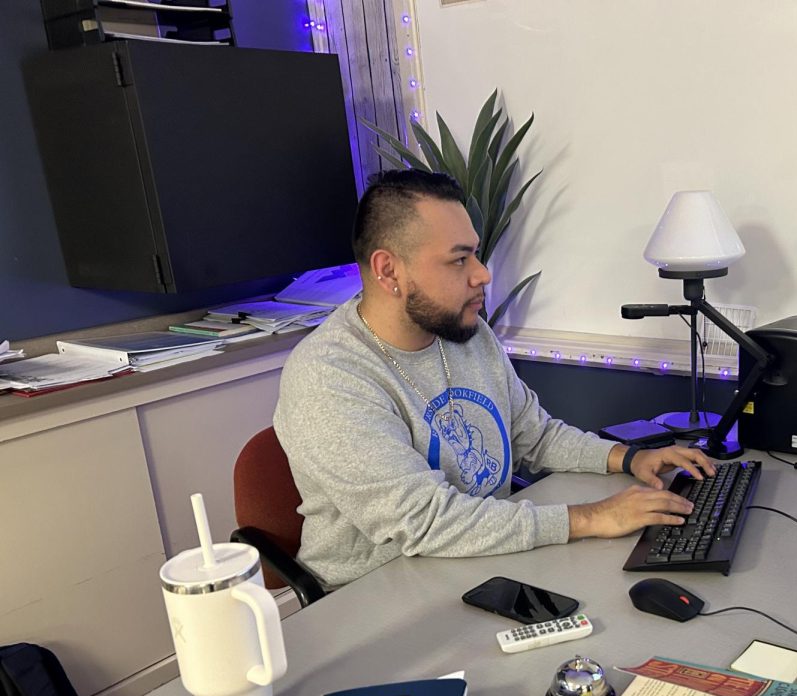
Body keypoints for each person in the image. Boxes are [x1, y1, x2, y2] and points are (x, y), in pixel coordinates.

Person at [274, 169, 716, 586]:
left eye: (476, 253)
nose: (482, 274)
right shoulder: (328, 377)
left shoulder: (466, 334)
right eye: (459, 260)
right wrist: (591, 518)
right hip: (374, 599)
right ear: (389, 270)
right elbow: (425, 522)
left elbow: (534, 435)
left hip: (476, 563)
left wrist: (627, 458)